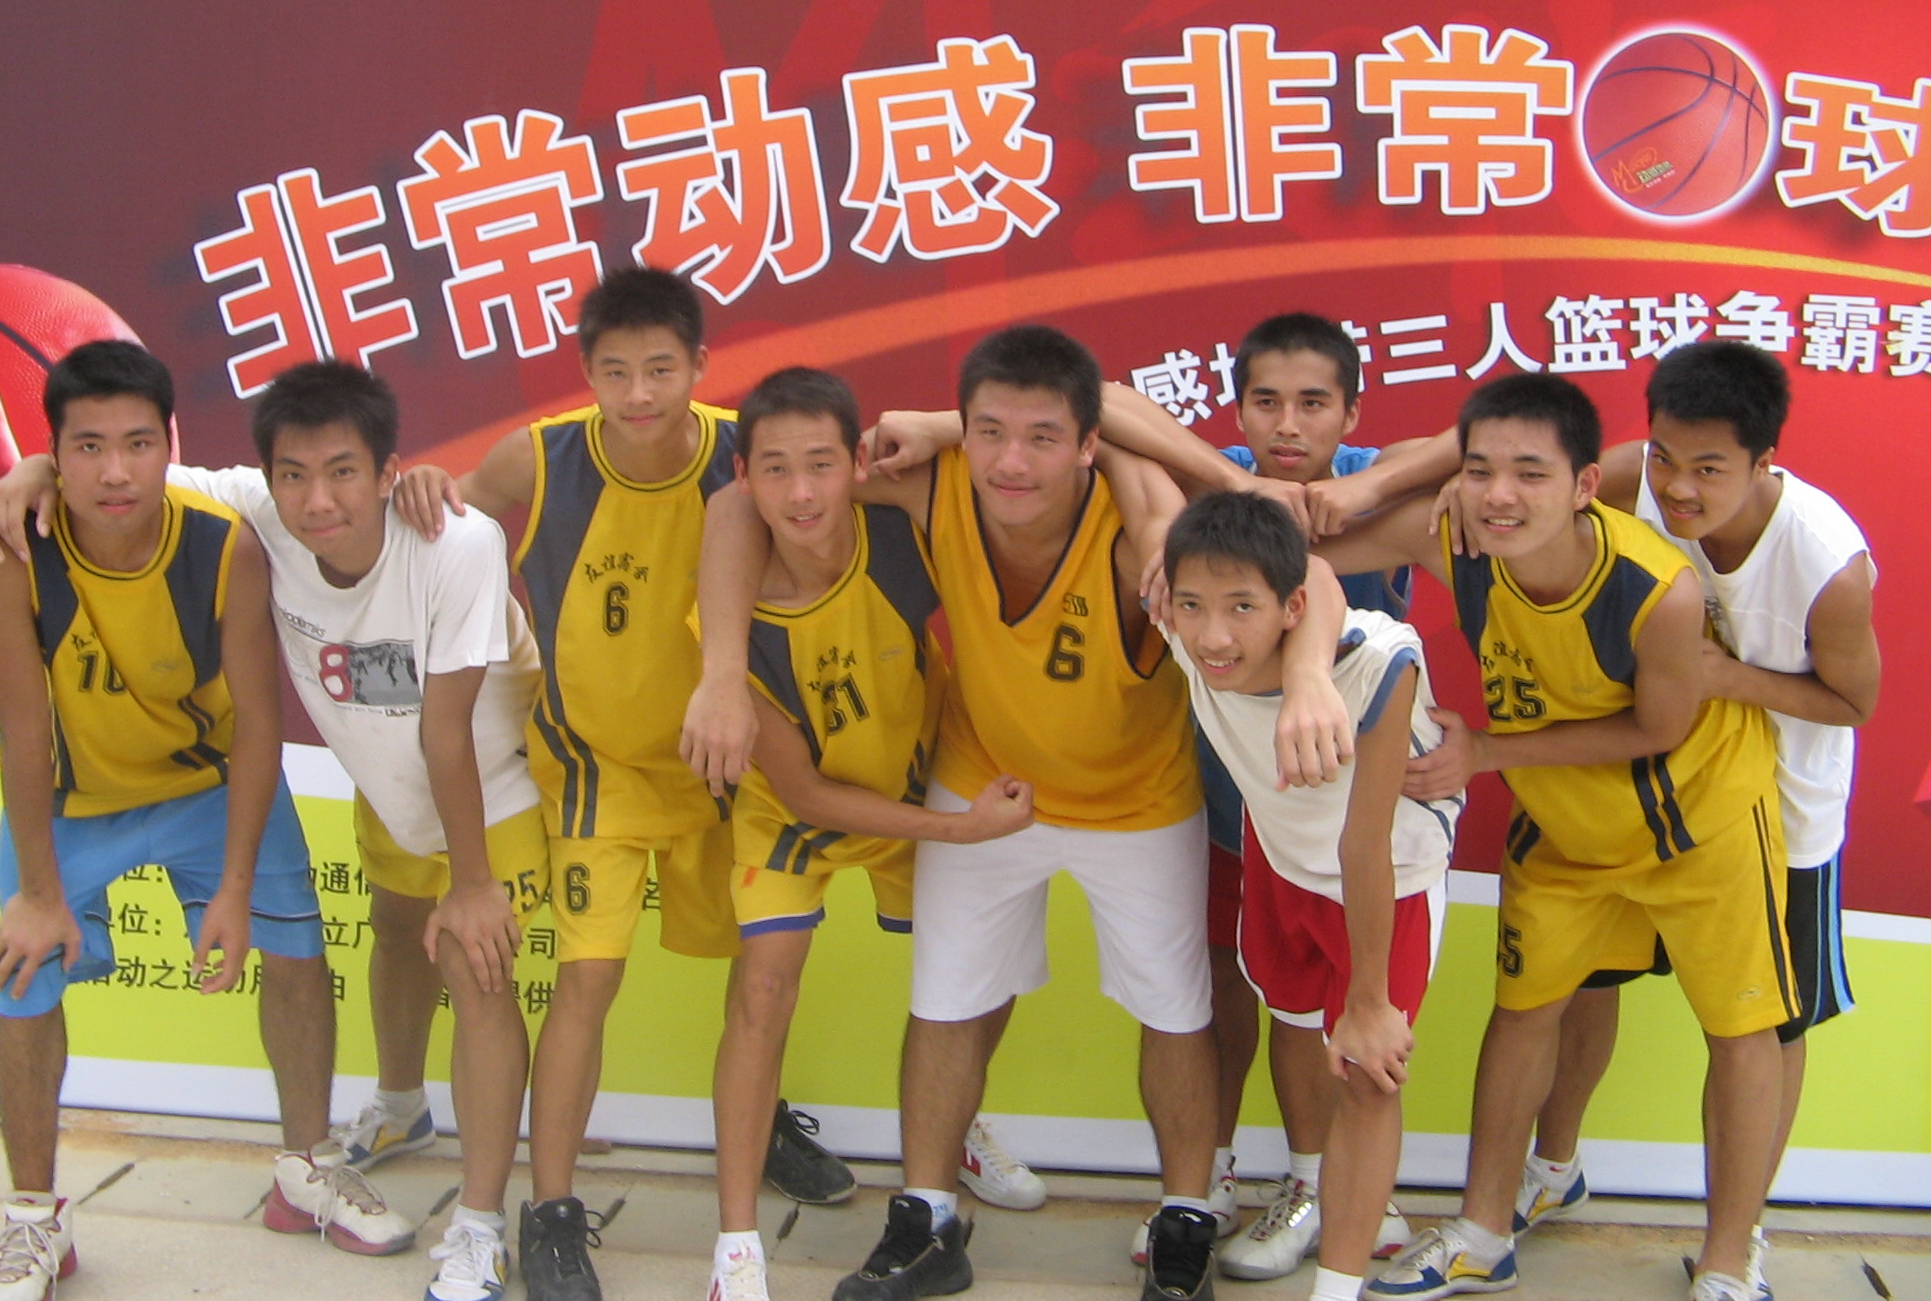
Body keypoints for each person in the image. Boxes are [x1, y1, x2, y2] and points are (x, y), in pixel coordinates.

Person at [686, 325, 1354, 1301]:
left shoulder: (1140, 523)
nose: (1010, 461)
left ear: (1088, 445)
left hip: (1136, 797)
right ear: (963, 429)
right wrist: (718, 673)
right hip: (985, 781)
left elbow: (1309, 575)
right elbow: (733, 505)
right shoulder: (932, 480)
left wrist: (1310, 678)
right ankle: (926, 1217)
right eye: (989, 432)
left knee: (1177, 1013)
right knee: (945, 1002)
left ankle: (1182, 1220)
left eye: (1042, 437)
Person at [0, 358, 551, 1301]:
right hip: (213, 796)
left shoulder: (402, 541)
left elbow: (377, 727)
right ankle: (39, 1216)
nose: (318, 499)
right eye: (296, 475)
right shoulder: (225, 515)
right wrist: (29, 472)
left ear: (388, 470)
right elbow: (27, 712)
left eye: (344, 472)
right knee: (390, 933)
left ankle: (396, 1199)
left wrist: (467, 881)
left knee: (390, 961)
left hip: (395, 791)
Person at [393, 268, 857, 1301]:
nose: (638, 394)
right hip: (594, 772)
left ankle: (761, 1124)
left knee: (760, 973)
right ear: (586, 374)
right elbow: (445, 514)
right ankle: (553, 1213)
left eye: (659, 370)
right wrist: (422, 482)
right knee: (587, 982)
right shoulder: (539, 456)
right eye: (614, 373)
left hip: (732, 767)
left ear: (699, 366)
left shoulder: (753, 452)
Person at [1297, 371, 1788, 1301]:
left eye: (1530, 473)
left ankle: (1728, 1259)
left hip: (1700, 820)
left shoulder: (1660, 590)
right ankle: (1483, 1232)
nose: (1499, 495)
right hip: (1563, 825)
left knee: (1739, 1031)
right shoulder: (1452, 536)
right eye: (1480, 469)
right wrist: (1187, 546)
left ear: (1584, 486)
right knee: (1523, 1012)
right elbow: (1310, 551)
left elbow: (1661, 727)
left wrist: (1485, 751)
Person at [1070, 313, 1455, 1266]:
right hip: (1230, 803)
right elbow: (1103, 404)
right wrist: (1237, 482)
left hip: (1357, 814)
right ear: (1237, 408)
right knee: (1233, 990)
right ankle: (1211, 1178)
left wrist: (1365, 488)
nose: (1288, 423)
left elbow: (1477, 441)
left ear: (1351, 413)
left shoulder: (1373, 479)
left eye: (1314, 403)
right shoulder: (1217, 483)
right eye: (1266, 402)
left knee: (1356, 1018)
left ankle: (1330, 1191)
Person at [1512, 342, 1878, 1298]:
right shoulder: (1628, 478)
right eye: (1666, 457)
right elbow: (1512, 482)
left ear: (1764, 463)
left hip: (1778, 813)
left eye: (1709, 469)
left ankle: (1732, 1245)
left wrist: (1724, 677)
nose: (1677, 488)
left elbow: (1856, 701)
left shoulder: (1828, 562)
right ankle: (1552, 1170)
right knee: (1586, 981)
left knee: (1765, 1027)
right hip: (1634, 789)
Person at [706, 367, 1036, 1301]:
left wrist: (937, 424)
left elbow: (1024, 443)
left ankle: (952, 1128)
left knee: (982, 972)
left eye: (821, 463)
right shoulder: (728, 611)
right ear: (745, 476)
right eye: (776, 469)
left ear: (856, 462)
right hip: (799, 812)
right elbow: (807, 795)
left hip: (916, 778)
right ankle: (736, 1246)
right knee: (762, 989)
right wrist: (956, 831)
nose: (801, 492)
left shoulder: (897, 531)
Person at [1162, 491, 1453, 1301]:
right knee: (1293, 1024)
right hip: (1280, 856)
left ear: (1288, 610)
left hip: (1385, 878)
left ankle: (1340, 1282)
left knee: (1367, 1067)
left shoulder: (1378, 666)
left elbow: (1367, 843)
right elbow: (1306, 572)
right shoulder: (1182, 627)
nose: (1213, 636)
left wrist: (1370, 999)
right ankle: (1311, 1190)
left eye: (1242, 608)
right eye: (1193, 605)